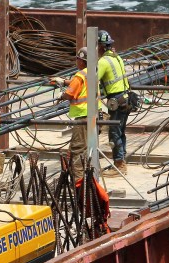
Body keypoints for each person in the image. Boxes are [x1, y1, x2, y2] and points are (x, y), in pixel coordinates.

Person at [49, 47, 99, 181]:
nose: (76, 61)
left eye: (78, 59)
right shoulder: (92, 72)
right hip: (94, 115)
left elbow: (70, 94)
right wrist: (64, 81)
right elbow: (78, 84)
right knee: (82, 148)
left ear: (82, 61)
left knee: (77, 150)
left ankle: (79, 184)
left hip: (83, 117)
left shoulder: (80, 74)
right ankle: (83, 181)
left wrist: (62, 95)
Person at [96, 30, 131, 175]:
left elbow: (91, 80)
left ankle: (119, 165)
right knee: (121, 131)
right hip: (126, 98)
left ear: (101, 46)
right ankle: (122, 160)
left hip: (116, 101)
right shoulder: (117, 57)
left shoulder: (103, 62)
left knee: (114, 133)